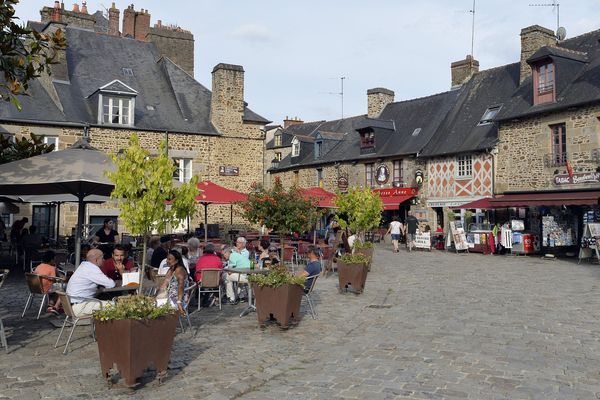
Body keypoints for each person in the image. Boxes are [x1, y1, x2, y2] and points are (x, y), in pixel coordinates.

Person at [66, 248, 115, 315]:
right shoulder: (92, 269)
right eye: (102, 258)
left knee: (103, 299)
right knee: (115, 305)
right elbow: (111, 284)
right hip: (80, 307)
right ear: (97, 260)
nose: (104, 260)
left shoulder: (84, 266)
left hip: (72, 305)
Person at [156, 250, 190, 314]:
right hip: (170, 296)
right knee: (154, 303)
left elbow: (181, 287)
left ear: (176, 261)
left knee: (157, 306)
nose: (166, 261)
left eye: (169, 259)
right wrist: (156, 294)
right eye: (167, 259)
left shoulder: (180, 271)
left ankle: (165, 323)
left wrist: (179, 302)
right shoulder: (171, 269)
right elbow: (164, 284)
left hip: (179, 298)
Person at [33, 250, 64, 315]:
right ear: (51, 259)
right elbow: (54, 279)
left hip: (36, 287)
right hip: (46, 288)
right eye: (54, 259)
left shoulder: (39, 266)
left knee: (54, 287)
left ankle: (50, 305)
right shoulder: (51, 268)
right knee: (63, 287)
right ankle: (56, 307)